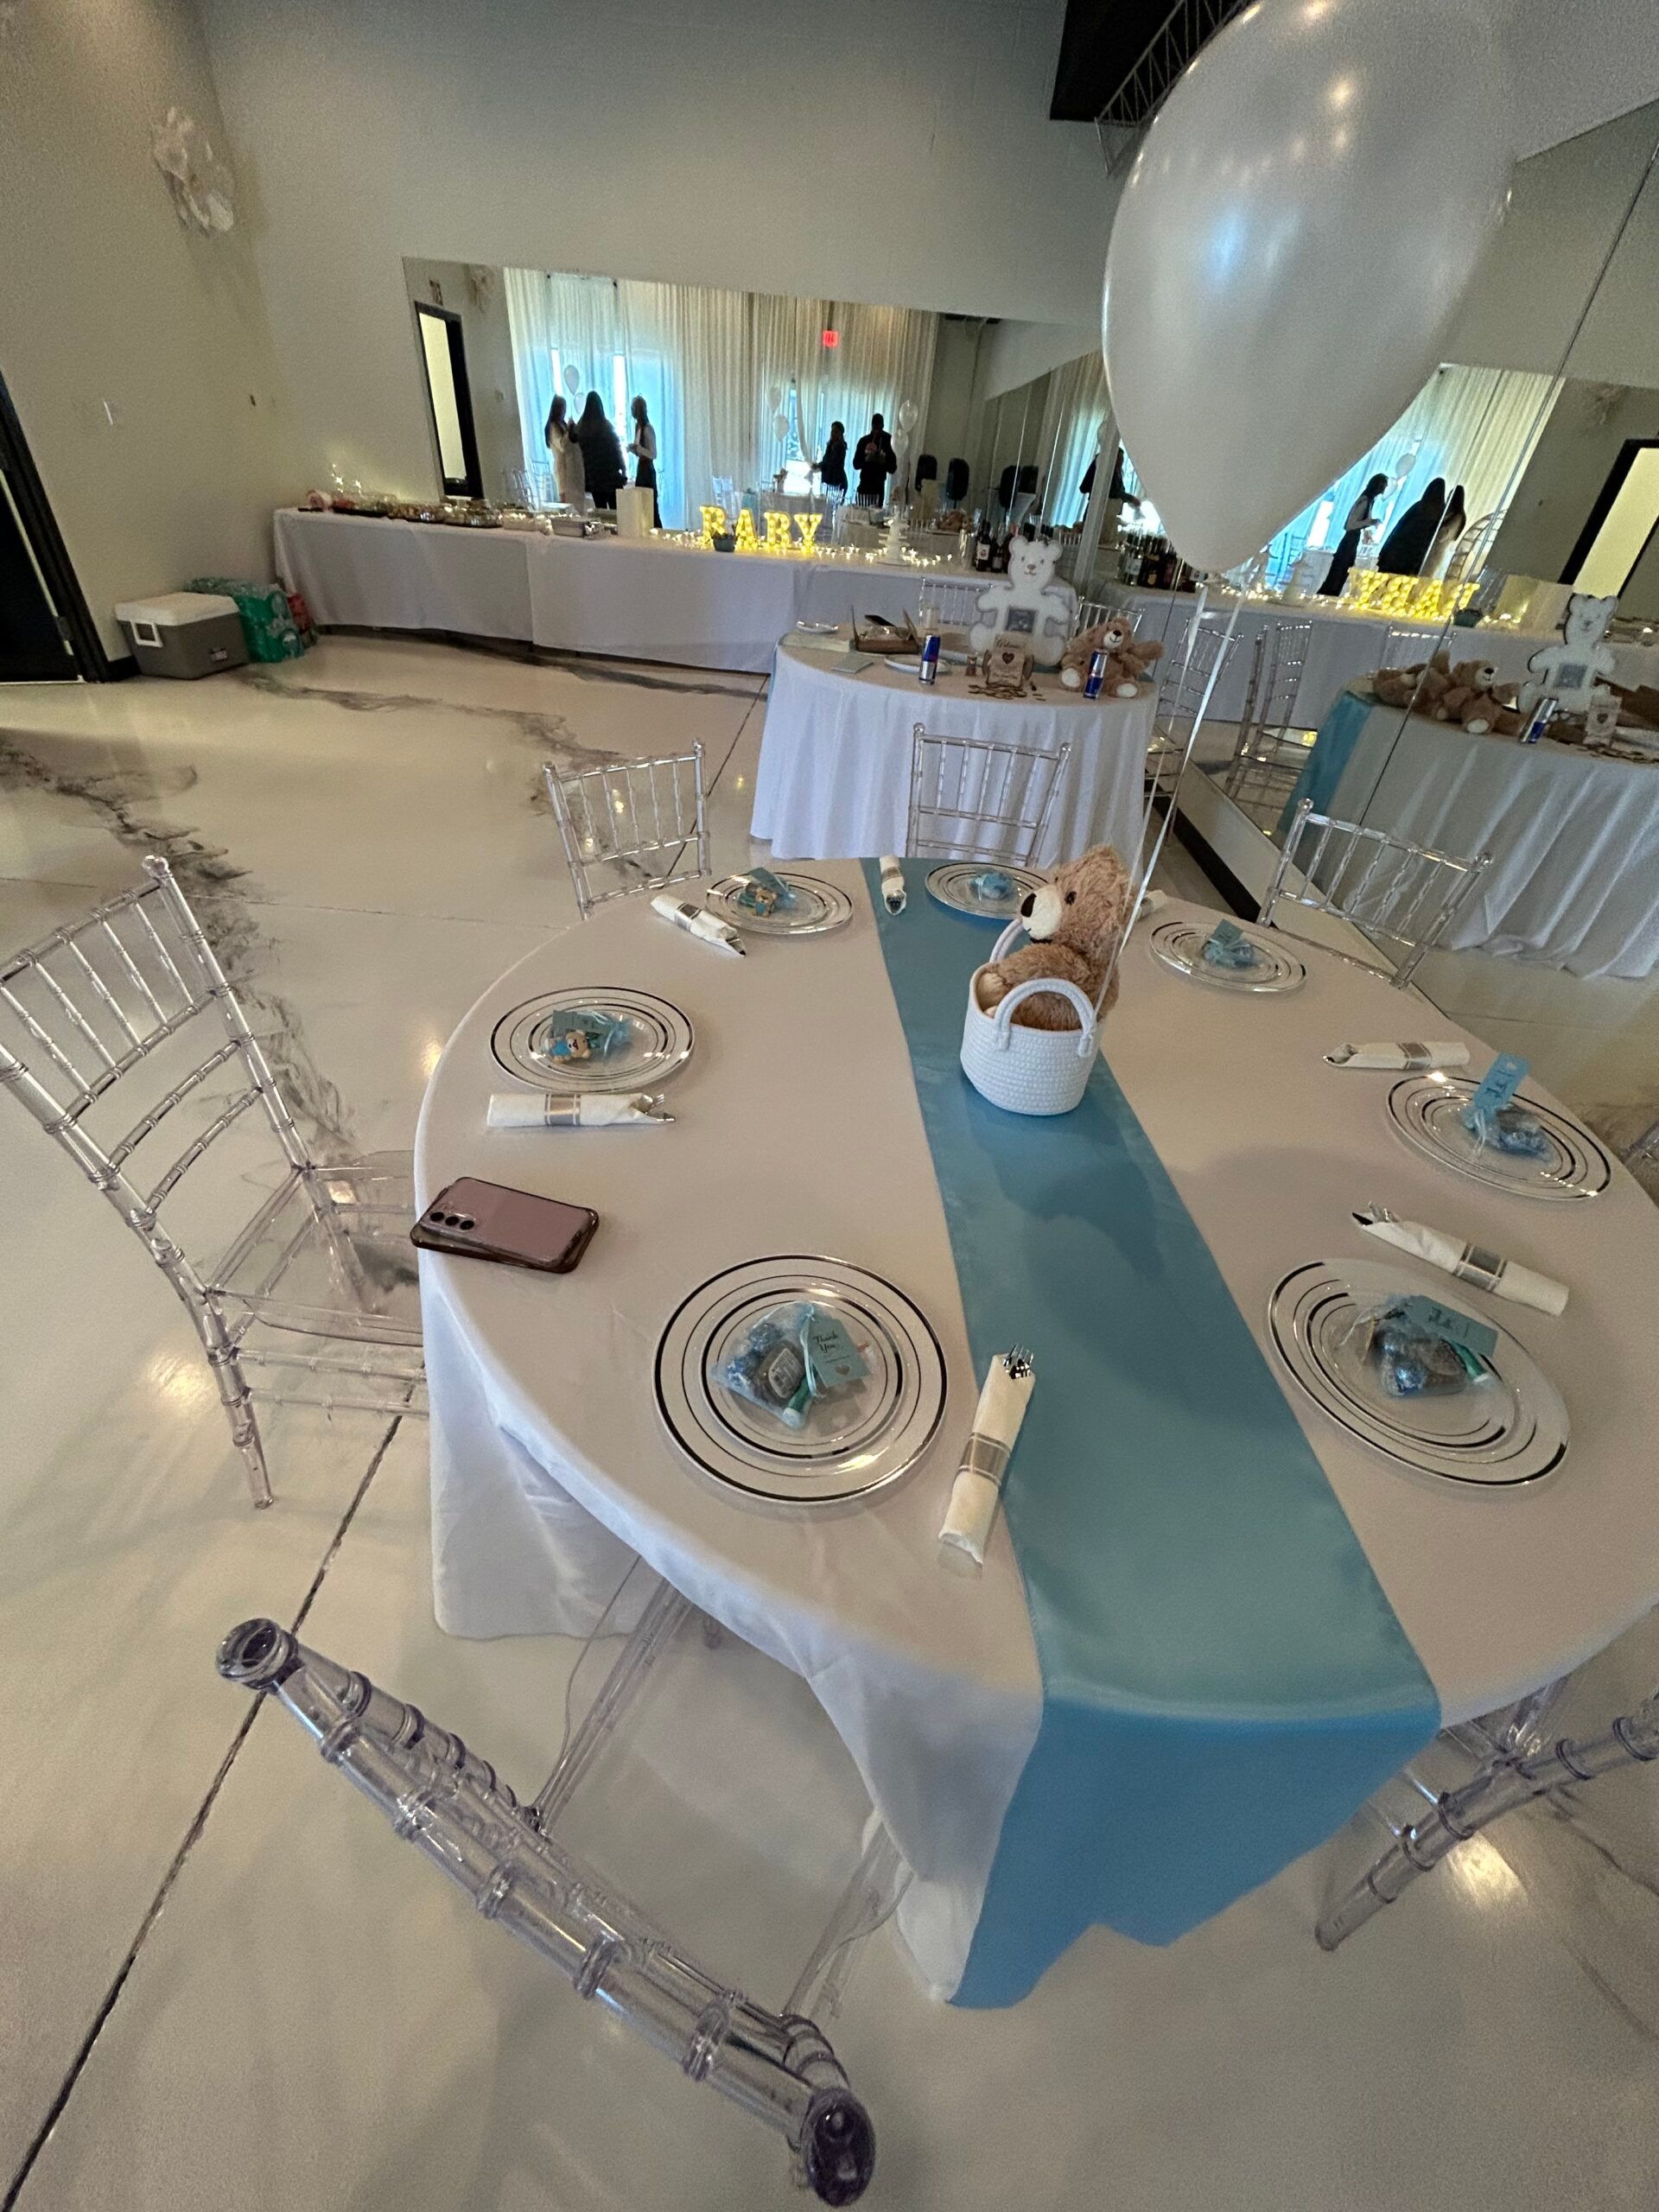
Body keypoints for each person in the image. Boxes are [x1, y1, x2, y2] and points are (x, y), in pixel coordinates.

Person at [1319, 471, 1389, 597]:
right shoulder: (1365, 501)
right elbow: (1350, 525)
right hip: (1350, 540)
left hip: (1353, 539)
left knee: (1343, 571)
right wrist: (1370, 522)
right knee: (1339, 571)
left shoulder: (1369, 501)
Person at [1376, 475, 1447, 577]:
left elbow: (1399, 528)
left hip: (1396, 553)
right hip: (1413, 560)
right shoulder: (1441, 513)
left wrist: (1384, 552)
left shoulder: (1419, 506)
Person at [574, 390, 626, 511]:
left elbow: (573, 437)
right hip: (610, 475)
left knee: (601, 511)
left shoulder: (582, 428)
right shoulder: (606, 426)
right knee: (616, 511)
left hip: (594, 477)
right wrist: (623, 469)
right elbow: (616, 449)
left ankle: (603, 530)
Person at [543, 393, 587, 510]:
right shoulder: (553, 427)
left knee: (574, 500)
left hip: (571, 467)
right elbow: (562, 445)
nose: (564, 410)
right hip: (562, 468)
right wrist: (569, 431)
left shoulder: (562, 424)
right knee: (565, 500)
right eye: (562, 408)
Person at [626, 395, 660, 529]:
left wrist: (638, 448)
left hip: (648, 471)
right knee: (642, 506)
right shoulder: (638, 427)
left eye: (633, 408)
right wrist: (633, 450)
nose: (632, 411)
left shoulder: (647, 429)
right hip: (641, 468)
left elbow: (653, 454)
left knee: (651, 507)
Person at [1425, 481, 1468, 579]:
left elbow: (1443, 534)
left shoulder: (1457, 517)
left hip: (1436, 553)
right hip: (1433, 551)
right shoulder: (1450, 514)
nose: (1447, 500)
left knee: (1424, 577)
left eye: (1450, 498)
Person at [853, 413, 897, 505]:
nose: (877, 431)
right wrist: (866, 460)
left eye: (879, 427)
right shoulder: (864, 441)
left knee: (875, 517)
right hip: (864, 484)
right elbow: (855, 464)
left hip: (878, 487)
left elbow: (893, 468)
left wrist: (883, 461)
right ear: (872, 425)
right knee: (860, 514)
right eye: (875, 427)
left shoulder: (889, 441)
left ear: (883, 426)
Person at [812, 420, 849, 499]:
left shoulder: (840, 447)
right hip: (829, 481)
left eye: (836, 432)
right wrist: (818, 465)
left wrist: (819, 465)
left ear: (840, 434)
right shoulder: (830, 446)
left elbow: (832, 463)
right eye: (832, 431)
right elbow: (826, 461)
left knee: (833, 506)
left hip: (837, 482)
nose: (833, 434)